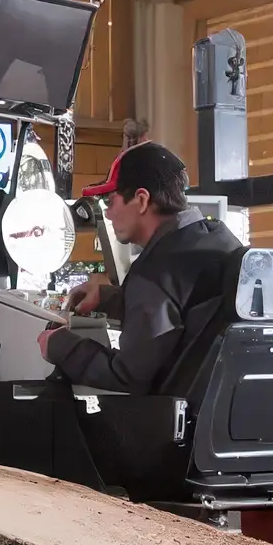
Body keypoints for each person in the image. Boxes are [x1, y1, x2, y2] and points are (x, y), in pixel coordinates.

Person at [37, 141, 243, 394]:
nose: (108, 214)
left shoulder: (155, 272)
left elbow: (127, 377)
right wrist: (109, 298)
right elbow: (183, 311)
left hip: (171, 415)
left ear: (142, 200)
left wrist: (61, 347)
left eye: (111, 201)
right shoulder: (218, 238)